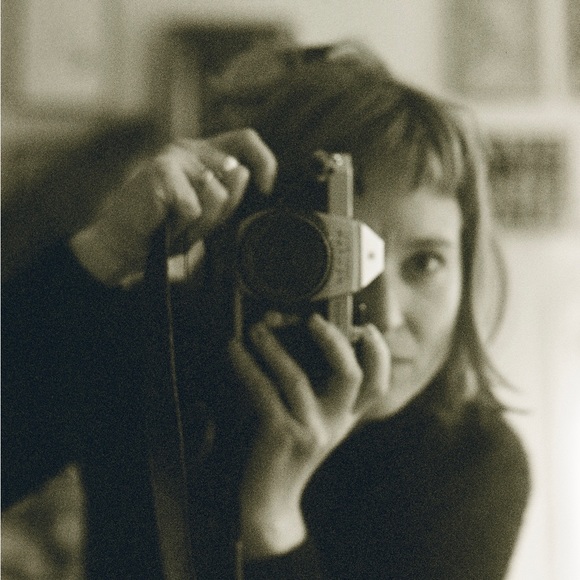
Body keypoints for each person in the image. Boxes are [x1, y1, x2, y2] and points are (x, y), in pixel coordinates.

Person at [2, 43, 530, 579]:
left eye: (425, 263)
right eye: (341, 262)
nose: (387, 316)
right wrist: (106, 249)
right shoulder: (166, 347)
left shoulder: (474, 464)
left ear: (467, 265)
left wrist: (272, 524)